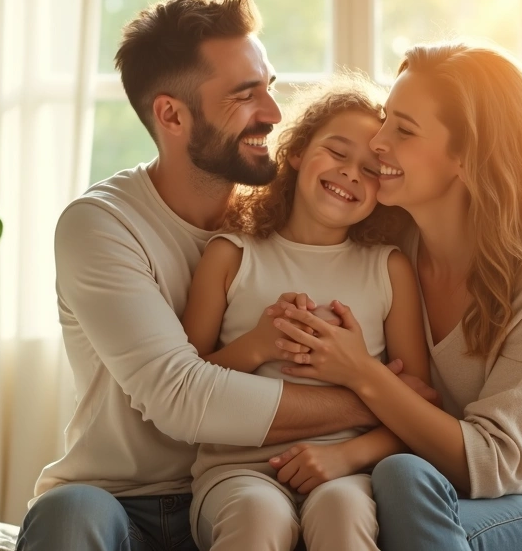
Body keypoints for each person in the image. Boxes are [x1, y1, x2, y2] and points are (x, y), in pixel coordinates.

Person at [14, 0, 435, 551]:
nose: (275, 113)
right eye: (245, 95)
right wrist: (378, 392)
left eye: (268, 85)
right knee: (68, 516)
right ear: (172, 115)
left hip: (272, 487)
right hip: (128, 499)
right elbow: (184, 396)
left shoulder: (295, 219)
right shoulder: (101, 225)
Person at [270, 41, 522, 551]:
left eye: (403, 130)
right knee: (387, 485)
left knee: (402, 476)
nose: (378, 141)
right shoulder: (389, 250)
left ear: (467, 159)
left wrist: (360, 371)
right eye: (386, 120)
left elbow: (501, 464)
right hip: (432, 501)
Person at [181, 77, 430, 551]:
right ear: (296, 151)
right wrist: (256, 346)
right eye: (337, 153)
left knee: (343, 511)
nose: (351, 173)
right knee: (257, 516)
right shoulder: (231, 256)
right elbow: (184, 387)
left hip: (350, 471)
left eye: (371, 168)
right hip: (236, 472)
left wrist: (346, 456)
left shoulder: (389, 268)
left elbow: (417, 402)